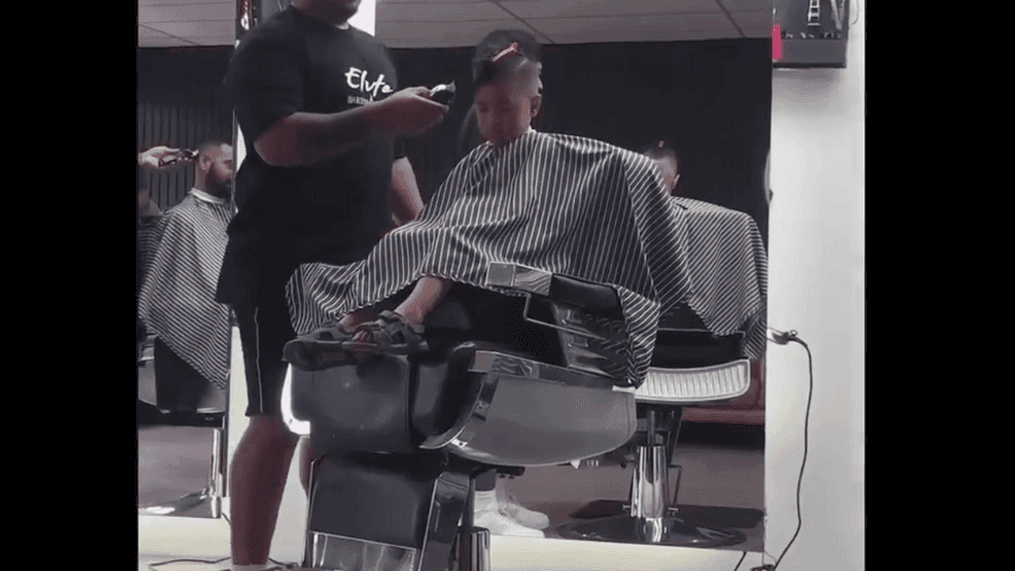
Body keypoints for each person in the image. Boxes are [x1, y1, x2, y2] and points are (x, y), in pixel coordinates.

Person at [213, 1, 448, 569]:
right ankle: (250, 564)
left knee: (341, 424)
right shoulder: (270, 44)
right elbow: (278, 143)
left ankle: (329, 554)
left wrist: (421, 225)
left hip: (360, 274)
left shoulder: (373, 55)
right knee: (277, 422)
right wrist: (378, 116)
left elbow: (391, 154)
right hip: (280, 264)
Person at [138, 140, 235, 412]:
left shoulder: (236, 218)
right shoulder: (179, 219)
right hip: (182, 342)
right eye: (228, 165)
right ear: (204, 163)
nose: (234, 174)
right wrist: (142, 161)